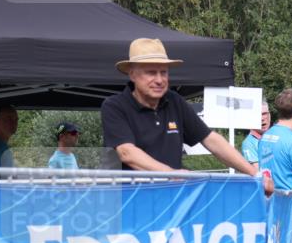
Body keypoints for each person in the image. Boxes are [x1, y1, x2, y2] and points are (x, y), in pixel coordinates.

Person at [100, 38, 271, 195]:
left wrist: (255, 174)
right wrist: (170, 174)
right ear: (132, 74)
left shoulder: (174, 101)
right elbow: (126, 152)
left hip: (172, 203)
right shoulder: (115, 106)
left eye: (164, 72)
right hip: (130, 206)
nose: (159, 79)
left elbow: (211, 140)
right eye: (151, 72)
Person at [241, 100, 271, 171]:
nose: (262, 119)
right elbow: (257, 173)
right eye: (258, 115)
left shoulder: (276, 136)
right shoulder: (248, 143)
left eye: (264, 114)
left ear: (269, 115)